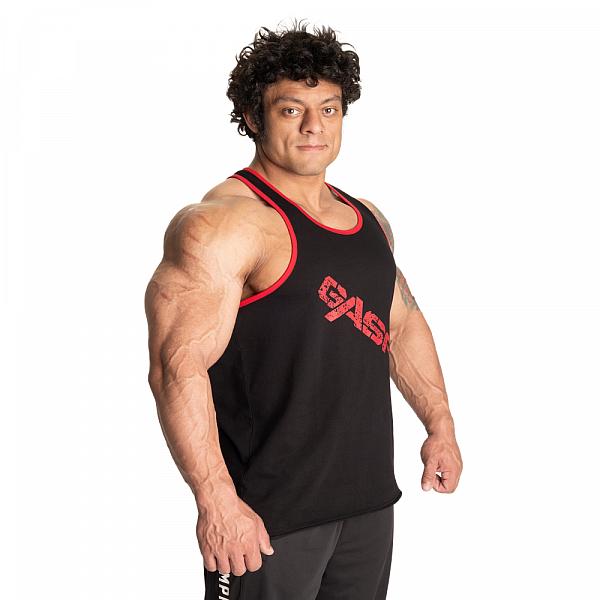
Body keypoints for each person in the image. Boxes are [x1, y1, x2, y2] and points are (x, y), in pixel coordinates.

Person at [144, 20, 463, 600]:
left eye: (330, 108)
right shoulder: (221, 225)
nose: (315, 126)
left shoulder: (367, 219)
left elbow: (400, 323)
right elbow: (176, 366)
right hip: (266, 518)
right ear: (252, 117)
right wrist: (216, 501)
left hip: (368, 504)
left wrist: (439, 424)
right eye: (291, 110)